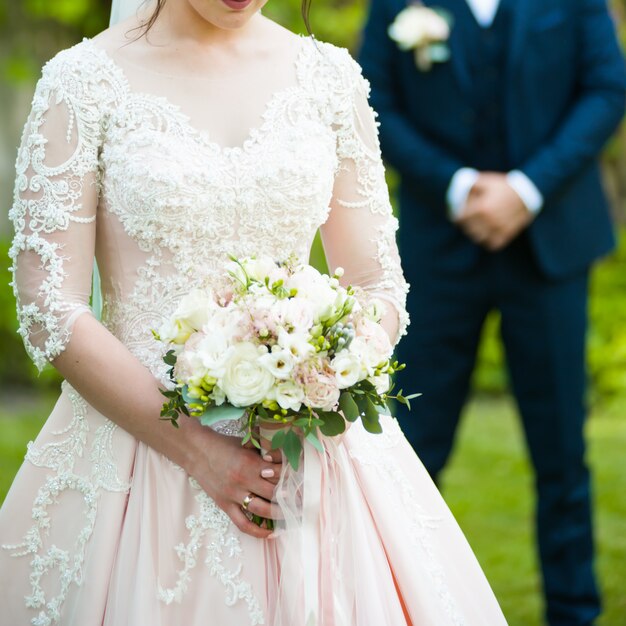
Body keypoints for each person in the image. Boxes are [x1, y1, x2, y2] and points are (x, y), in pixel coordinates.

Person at [0, 0, 509, 624]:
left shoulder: (329, 78)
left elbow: (377, 283)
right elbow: (50, 305)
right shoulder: (82, 81)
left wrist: (321, 374)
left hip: (311, 452)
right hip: (137, 453)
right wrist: (197, 450)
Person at [359, 1, 626, 625]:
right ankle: (404, 606)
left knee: (561, 448)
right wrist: (456, 185)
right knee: (414, 443)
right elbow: (374, 101)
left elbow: (606, 86)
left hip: (550, 243)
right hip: (436, 249)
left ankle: (573, 610)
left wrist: (526, 189)